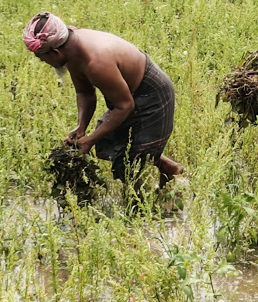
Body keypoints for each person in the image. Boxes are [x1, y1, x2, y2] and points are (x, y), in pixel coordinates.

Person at [23, 12, 183, 187]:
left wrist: (90, 140)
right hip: (128, 94)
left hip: (152, 94)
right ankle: (168, 167)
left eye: (41, 57)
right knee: (107, 144)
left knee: (128, 165)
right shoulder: (71, 50)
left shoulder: (96, 62)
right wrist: (81, 127)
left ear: (55, 52)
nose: (42, 61)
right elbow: (85, 92)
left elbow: (125, 106)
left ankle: (140, 207)